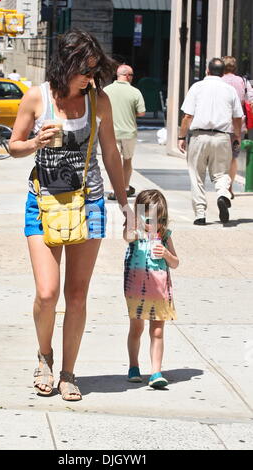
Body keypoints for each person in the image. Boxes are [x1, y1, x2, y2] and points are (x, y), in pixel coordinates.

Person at [9, 30, 129, 401]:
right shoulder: (36, 97)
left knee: (77, 294)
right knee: (48, 293)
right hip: (43, 201)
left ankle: (68, 372)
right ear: (65, 65)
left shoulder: (100, 100)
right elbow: (13, 146)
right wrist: (35, 143)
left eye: (94, 70)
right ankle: (44, 356)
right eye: (84, 70)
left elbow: (111, 154)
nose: (89, 78)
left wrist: (126, 204)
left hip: (90, 203)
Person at [124, 189, 179, 388]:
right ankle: (133, 366)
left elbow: (175, 263)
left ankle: (156, 371)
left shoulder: (164, 236)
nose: (152, 224)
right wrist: (134, 224)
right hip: (137, 289)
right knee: (136, 328)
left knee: (157, 331)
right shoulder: (135, 233)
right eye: (148, 218)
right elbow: (127, 237)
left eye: (158, 219)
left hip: (159, 290)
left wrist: (166, 253)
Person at [178, 58, 243, 225]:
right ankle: (223, 194)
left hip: (199, 136)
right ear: (223, 73)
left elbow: (187, 116)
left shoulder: (197, 87)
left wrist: (181, 136)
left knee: (196, 175)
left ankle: (200, 214)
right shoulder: (229, 90)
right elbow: (237, 117)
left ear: (207, 71)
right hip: (222, 137)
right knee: (221, 173)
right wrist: (236, 136)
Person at [104, 65, 146, 200]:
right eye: (132, 75)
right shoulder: (135, 92)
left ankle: (113, 190)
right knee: (127, 161)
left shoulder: (106, 90)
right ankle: (125, 188)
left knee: (112, 161)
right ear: (127, 76)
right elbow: (141, 112)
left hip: (111, 132)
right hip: (129, 133)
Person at [222, 56, 253, 199]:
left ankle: (221, 187)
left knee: (220, 157)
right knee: (233, 158)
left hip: (219, 124)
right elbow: (250, 101)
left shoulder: (219, 81)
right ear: (235, 68)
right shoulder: (242, 81)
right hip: (237, 126)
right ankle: (229, 187)